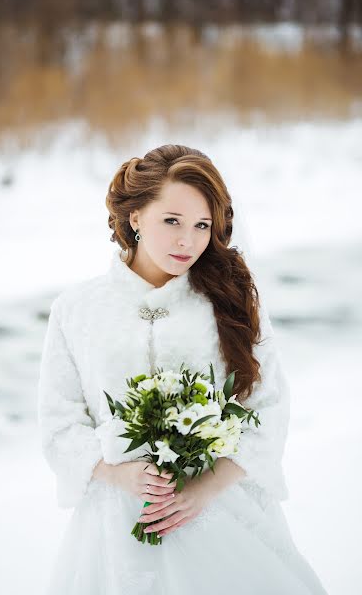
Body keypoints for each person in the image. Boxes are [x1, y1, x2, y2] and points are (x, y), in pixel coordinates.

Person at [38, 144, 328, 594]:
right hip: (116, 528)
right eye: (171, 221)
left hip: (225, 517)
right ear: (135, 217)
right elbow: (59, 423)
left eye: (201, 226)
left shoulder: (231, 301)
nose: (187, 242)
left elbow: (268, 408)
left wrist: (203, 490)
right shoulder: (77, 310)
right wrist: (119, 471)